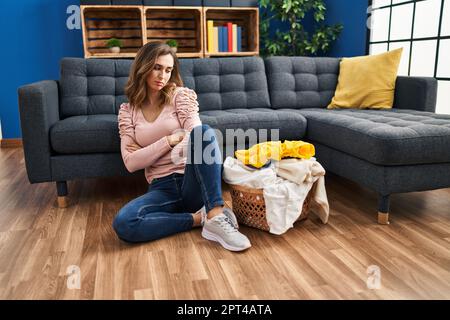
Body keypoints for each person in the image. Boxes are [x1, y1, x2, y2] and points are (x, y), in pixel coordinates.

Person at [112, 42, 251, 252]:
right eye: (157, 67)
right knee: (124, 223)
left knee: (205, 131)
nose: (163, 76)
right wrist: (169, 140)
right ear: (143, 67)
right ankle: (199, 219)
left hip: (192, 178)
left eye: (168, 70)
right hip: (161, 188)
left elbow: (197, 137)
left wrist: (148, 152)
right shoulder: (128, 111)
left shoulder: (180, 96)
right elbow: (131, 163)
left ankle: (215, 213)